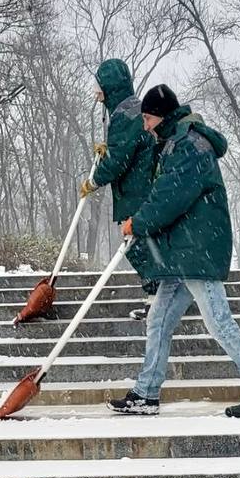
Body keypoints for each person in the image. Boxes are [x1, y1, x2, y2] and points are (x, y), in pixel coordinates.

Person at [110, 84, 240, 419]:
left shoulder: (189, 145)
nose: (144, 125)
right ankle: (146, 393)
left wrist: (137, 223)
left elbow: (170, 197)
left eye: (147, 118)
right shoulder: (176, 142)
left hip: (198, 250)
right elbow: (162, 190)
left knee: (218, 322)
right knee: (158, 319)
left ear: (161, 116)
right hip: (182, 252)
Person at [80, 60, 155, 313]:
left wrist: (93, 181)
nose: (95, 92)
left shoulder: (125, 114)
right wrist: (109, 150)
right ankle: (159, 299)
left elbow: (119, 161)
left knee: (139, 247)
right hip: (141, 191)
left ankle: (158, 299)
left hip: (137, 194)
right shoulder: (131, 110)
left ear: (110, 86)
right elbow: (123, 149)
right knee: (144, 247)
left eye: (98, 86)